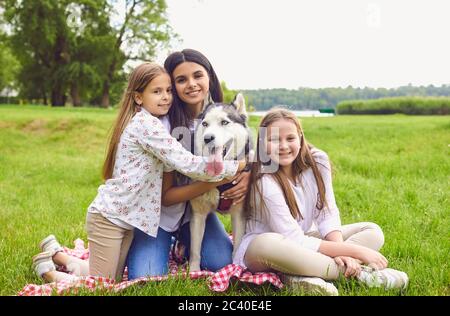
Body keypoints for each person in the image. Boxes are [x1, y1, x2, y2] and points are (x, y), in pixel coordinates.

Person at [31, 62, 246, 283]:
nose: (166, 97)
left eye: (168, 91)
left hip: (127, 218)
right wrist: (237, 167)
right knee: (102, 285)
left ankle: (60, 256)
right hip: (112, 217)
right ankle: (48, 271)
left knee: (110, 278)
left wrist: (248, 169)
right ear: (138, 97)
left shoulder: (155, 120)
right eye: (157, 91)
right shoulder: (149, 125)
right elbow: (187, 163)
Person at [232, 108, 409, 296]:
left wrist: (342, 252)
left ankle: (297, 276)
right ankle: (362, 275)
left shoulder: (318, 161)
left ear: (300, 138)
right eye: (274, 140)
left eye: (290, 138)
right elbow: (293, 238)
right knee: (266, 243)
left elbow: (327, 212)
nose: (283, 146)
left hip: (304, 239)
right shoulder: (264, 180)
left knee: (372, 231)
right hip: (265, 251)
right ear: (262, 143)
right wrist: (357, 252)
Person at [126, 49, 252, 279]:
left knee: (221, 262)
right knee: (147, 277)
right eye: (181, 80)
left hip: (197, 214)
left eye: (198, 76)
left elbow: (258, 150)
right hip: (158, 217)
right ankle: (151, 244)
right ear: (172, 86)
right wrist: (225, 176)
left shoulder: (222, 115)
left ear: (209, 78)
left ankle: (183, 245)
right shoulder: (161, 125)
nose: (191, 84)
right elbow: (166, 197)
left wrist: (248, 174)